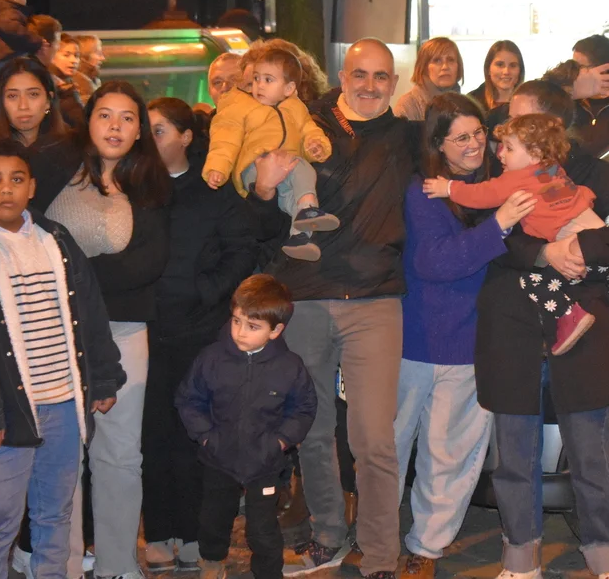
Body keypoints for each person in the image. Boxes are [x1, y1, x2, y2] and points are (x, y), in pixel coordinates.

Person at [247, 38, 416, 579]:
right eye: (360, 74)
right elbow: (257, 200)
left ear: (394, 84)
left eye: (381, 76)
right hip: (306, 295)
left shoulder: (406, 138)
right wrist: (261, 187)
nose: (370, 85)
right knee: (313, 429)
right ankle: (328, 533)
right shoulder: (304, 121)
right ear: (342, 76)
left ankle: (381, 552)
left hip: (375, 297)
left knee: (373, 438)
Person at [0, 138, 126, 579]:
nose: (6, 189)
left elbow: (91, 312)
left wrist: (104, 376)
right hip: (6, 412)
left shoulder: (57, 239)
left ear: (32, 187)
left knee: (55, 514)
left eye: (17, 179)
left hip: (64, 403)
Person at [474, 82, 609, 579]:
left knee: (590, 454)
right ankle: (520, 559)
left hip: (582, 334)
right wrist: (542, 253)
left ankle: (608, 554)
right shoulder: (503, 173)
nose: (503, 129)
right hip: (513, 331)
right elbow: (488, 237)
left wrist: (580, 248)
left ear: (551, 127)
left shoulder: (596, 174)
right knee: (514, 458)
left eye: (517, 119)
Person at [32, 80, 172, 579]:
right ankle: (62, 566)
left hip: (123, 328)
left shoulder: (150, 185)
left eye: (128, 118)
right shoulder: (54, 168)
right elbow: (26, 239)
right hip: (52, 329)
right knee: (61, 453)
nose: (115, 126)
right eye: (105, 114)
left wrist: (71, 272)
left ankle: (118, 564)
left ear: (139, 130)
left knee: (119, 454)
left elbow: (147, 264)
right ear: (88, 121)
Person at [395, 94, 536, 579]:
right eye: (461, 137)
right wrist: (499, 224)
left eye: (479, 133)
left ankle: (426, 548)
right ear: (438, 143)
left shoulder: (503, 183)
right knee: (388, 447)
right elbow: (434, 262)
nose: (474, 144)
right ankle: (374, 539)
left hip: (473, 340)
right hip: (415, 339)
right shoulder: (426, 190)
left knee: (449, 453)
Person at [141, 97, 257, 573]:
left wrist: (204, 291)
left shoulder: (213, 189)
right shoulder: (133, 187)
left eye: (159, 130)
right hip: (144, 329)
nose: (149, 138)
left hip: (199, 329)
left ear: (187, 137)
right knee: (152, 434)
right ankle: (158, 530)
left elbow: (241, 249)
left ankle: (192, 533)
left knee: (195, 433)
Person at [426, 112, 609, 359]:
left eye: (509, 148)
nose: (500, 154)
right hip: (603, 248)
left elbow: (481, 195)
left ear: (535, 154)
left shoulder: (515, 179)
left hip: (577, 258)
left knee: (531, 281)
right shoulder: (553, 170)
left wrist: (448, 188)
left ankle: (568, 315)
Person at [176, 274, 318, 579]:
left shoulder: (290, 366)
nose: (240, 332)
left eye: (253, 326)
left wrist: (280, 442)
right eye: (236, 321)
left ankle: (268, 572)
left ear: (275, 330)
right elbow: (189, 399)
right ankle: (212, 560)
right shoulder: (211, 358)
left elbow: (303, 408)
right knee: (213, 518)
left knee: (263, 528)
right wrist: (206, 437)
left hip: (265, 462)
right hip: (218, 458)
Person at [204, 47, 339, 262]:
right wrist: (217, 168)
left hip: (286, 167)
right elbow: (225, 139)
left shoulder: (294, 107)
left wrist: (316, 145)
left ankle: (300, 238)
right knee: (301, 169)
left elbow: (308, 130)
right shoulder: (238, 106)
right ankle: (308, 207)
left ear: (288, 88)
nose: (259, 86)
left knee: (292, 194)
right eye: (254, 80)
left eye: (268, 80)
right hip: (255, 165)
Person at [0, 56, 70, 178]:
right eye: (12, 96)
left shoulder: (72, 150)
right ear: (1, 102)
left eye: (33, 94)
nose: (23, 106)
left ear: (48, 100)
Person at [394, 37, 464, 121]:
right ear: (423, 67)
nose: (445, 66)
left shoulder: (465, 105)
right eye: (437, 61)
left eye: (450, 60)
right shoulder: (407, 106)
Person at [470, 41, 525, 125]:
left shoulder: (529, 103)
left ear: (520, 71)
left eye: (513, 65)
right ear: (488, 69)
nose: (506, 71)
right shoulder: (471, 103)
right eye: (500, 65)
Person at [50, 33, 85, 130]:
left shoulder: (71, 84)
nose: (74, 60)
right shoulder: (50, 86)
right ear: (52, 55)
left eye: (76, 56)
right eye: (66, 55)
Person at [73, 34, 106, 99]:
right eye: (98, 53)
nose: (103, 58)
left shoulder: (93, 81)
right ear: (83, 57)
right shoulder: (82, 84)